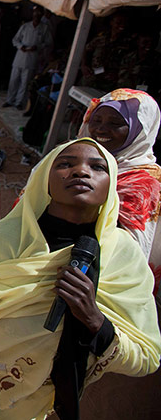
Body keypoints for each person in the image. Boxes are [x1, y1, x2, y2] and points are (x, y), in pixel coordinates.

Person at [0, 138, 161, 420]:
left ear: (111, 185)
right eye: (65, 164)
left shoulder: (122, 256)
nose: (80, 172)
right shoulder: (9, 237)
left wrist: (94, 320)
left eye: (97, 167)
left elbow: (146, 355)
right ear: (44, 180)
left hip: (33, 405)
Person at [78, 88, 161, 301]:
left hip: (99, 288)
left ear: (140, 131)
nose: (101, 129)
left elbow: (128, 253)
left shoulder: (142, 185)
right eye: (97, 120)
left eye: (115, 124)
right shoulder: (80, 159)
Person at [2, 6, 52, 110]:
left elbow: (48, 43)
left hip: (32, 58)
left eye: (39, 14)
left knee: (25, 82)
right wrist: (21, 46)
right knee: (14, 80)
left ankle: (20, 102)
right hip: (20, 56)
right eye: (35, 14)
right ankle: (10, 100)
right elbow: (15, 40)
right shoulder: (25, 26)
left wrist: (38, 47)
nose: (36, 16)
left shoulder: (44, 28)